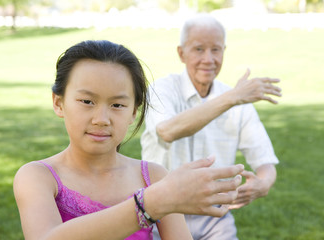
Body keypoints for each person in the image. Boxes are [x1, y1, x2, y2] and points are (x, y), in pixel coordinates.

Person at [13, 40, 246, 240]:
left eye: (117, 105)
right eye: (87, 101)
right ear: (58, 102)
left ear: (134, 112)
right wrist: (149, 205)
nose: (101, 119)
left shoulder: (153, 177)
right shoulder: (38, 176)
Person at [141, 14, 282, 240]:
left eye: (216, 50)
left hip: (215, 217)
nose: (208, 59)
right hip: (161, 211)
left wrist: (263, 183)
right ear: (181, 53)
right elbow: (167, 131)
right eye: (198, 49)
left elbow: (265, 160)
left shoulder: (237, 101)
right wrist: (232, 97)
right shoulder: (162, 90)